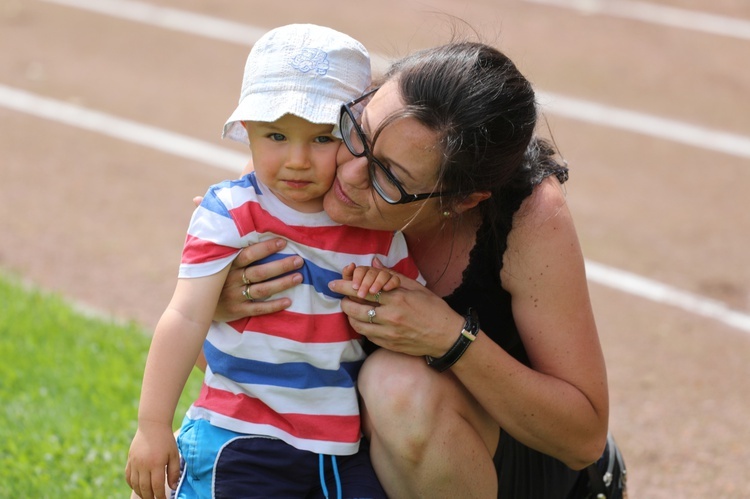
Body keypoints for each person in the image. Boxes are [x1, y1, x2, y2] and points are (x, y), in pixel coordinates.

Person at [215, 40, 627, 498]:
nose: (348, 175)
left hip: (511, 464)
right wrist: (221, 304)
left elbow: (582, 438)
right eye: (356, 133)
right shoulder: (304, 150)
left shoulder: (528, 217)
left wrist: (451, 340)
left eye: (388, 178)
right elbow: (211, 366)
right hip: (336, 451)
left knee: (396, 386)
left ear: (462, 200)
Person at [125, 24, 421, 499]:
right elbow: (184, 316)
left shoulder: (378, 233)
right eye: (277, 135)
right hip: (238, 434)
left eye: (323, 138)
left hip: (339, 451)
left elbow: (412, 318)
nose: (297, 160)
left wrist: (381, 293)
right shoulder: (229, 213)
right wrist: (152, 425)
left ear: (355, 138)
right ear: (248, 132)